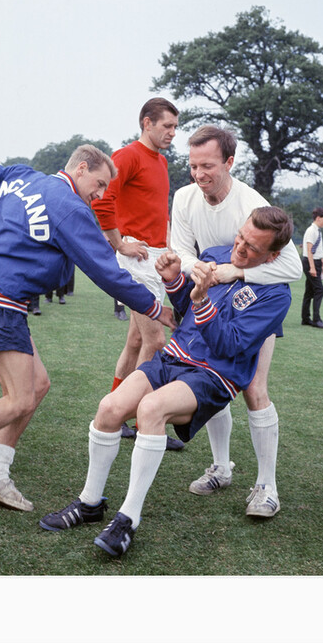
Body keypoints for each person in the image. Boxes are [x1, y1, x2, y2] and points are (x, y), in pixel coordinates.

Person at [0, 146, 177, 513]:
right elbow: (106, 272)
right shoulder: (70, 208)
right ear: (81, 168)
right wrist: (154, 306)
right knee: (18, 398)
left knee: (38, 385)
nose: (100, 194)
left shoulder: (19, 175)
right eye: (99, 184)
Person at [39, 207, 294, 558]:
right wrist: (176, 281)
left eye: (252, 247)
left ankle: (128, 518)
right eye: (240, 236)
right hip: (173, 357)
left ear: (274, 255)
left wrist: (202, 300)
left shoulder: (277, 295)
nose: (240, 248)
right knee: (109, 408)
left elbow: (230, 345)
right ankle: (89, 503)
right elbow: (186, 309)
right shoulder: (217, 256)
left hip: (213, 374)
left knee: (151, 409)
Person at [169, 125, 303, 502]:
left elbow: (292, 266)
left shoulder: (250, 202)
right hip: (208, 299)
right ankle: (221, 467)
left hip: (253, 307)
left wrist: (238, 271)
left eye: (207, 165)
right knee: (204, 378)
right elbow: (181, 251)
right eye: (193, 165)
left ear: (229, 162)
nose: (198, 175)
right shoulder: (183, 198)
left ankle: (267, 487)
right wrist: (206, 273)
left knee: (254, 388)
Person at [91, 97, 182, 450]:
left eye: (175, 127)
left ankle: (119, 414)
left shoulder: (160, 161)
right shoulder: (127, 155)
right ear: (147, 123)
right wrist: (119, 244)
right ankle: (144, 420)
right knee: (157, 341)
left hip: (157, 257)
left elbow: (159, 211)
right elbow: (102, 199)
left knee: (136, 341)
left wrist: (169, 244)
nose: (172, 133)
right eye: (167, 126)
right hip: (136, 259)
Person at [301, 207, 323, 328]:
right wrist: (312, 268)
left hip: (316, 262)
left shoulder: (318, 231)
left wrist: (322, 264)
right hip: (310, 262)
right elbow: (309, 250)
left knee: (310, 291)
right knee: (319, 290)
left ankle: (305, 318)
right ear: (318, 218)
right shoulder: (311, 231)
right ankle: (316, 319)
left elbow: (318, 249)